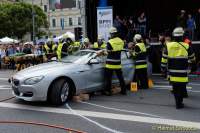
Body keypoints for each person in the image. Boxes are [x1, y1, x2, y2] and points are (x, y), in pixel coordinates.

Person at [161, 27, 195, 109]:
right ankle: (180, 102)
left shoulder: (168, 45)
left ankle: (178, 103)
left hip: (172, 72)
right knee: (181, 86)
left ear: (174, 36)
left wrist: (163, 69)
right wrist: (191, 63)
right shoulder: (186, 45)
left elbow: (164, 58)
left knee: (175, 88)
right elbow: (192, 58)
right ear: (182, 36)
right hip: (183, 72)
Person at [102, 27, 126, 95]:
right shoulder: (121, 41)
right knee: (120, 77)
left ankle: (108, 91)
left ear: (112, 34)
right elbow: (119, 50)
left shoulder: (110, 42)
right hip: (118, 62)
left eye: (110, 34)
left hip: (110, 63)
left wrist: (104, 52)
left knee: (108, 78)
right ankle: (124, 91)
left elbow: (108, 52)